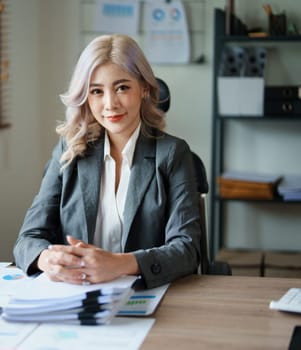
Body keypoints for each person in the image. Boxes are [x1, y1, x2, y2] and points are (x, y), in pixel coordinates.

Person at [13, 34, 201, 289]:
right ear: (86, 97)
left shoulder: (173, 153)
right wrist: (48, 259)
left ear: (144, 88)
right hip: (77, 294)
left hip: (145, 294)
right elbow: (28, 239)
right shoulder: (69, 150)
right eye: (97, 91)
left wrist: (120, 263)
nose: (110, 104)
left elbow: (187, 250)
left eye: (122, 87)